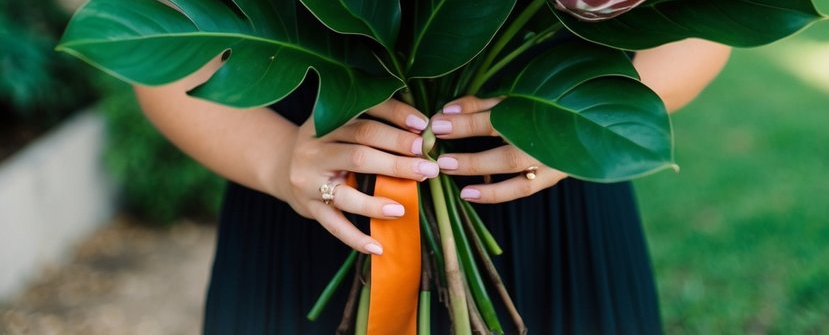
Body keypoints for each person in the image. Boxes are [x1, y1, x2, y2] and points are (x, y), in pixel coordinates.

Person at [134, 37, 730, 334]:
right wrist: (275, 161)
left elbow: (705, 15)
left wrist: (582, 127)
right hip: (310, 205)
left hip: (552, 213)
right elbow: (150, 42)